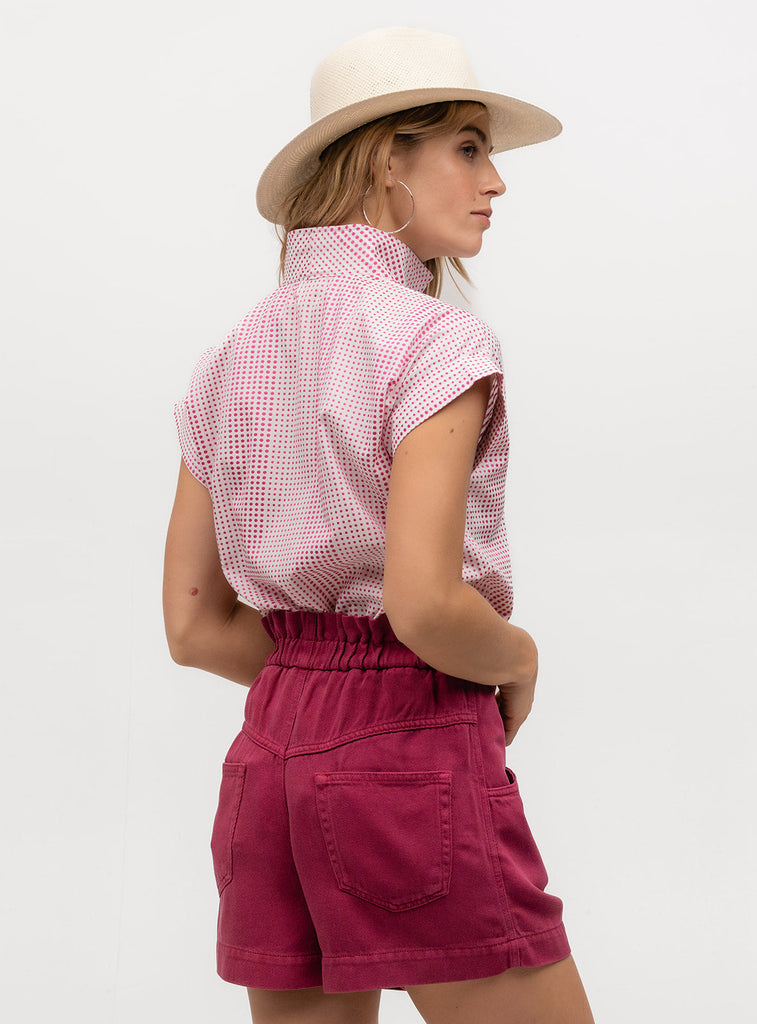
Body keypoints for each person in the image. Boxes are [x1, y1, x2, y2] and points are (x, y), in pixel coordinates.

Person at [163, 26, 594, 1024]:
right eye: (469, 147)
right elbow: (425, 605)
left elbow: (192, 626)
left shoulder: (227, 359)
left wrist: (315, 687)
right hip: (412, 753)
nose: (496, 182)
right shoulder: (435, 340)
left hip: (266, 762)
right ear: (383, 159)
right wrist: (516, 659)